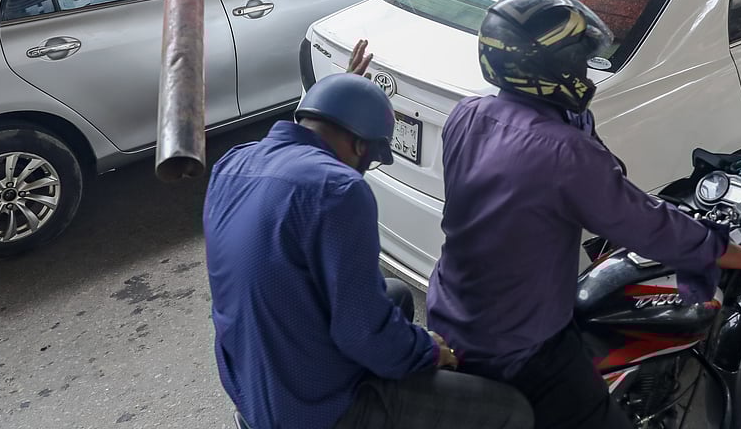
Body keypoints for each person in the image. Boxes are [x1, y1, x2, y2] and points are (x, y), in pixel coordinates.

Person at [426, 0, 741, 429]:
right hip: (520, 344)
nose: (587, 69)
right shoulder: (564, 153)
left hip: (451, 307)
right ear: (556, 68)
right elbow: (649, 226)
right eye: (581, 58)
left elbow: (514, 202)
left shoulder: (469, 113)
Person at [204, 69, 533, 429]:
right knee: (511, 411)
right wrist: (430, 351)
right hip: (310, 408)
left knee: (395, 294)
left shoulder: (233, 162)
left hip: (249, 380)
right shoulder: (338, 188)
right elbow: (361, 332)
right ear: (360, 146)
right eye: (371, 160)